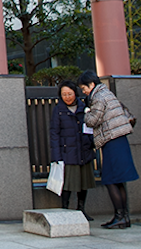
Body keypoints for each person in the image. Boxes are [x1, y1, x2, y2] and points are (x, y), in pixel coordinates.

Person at [79, 70, 138, 229]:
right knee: (119, 180)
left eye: (84, 88)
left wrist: (85, 113)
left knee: (110, 179)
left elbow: (93, 120)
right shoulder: (107, 93)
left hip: (111, 140)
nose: (83, 91)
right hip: (119, 139)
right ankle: (124, 217)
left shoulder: (98, 97)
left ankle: (119, 216)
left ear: (91, 84)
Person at [48, 80, 95, 220]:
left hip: (83, 149)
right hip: (67, 151)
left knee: (83, 182)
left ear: (75, 93)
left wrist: (90, 144)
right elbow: (54, 133)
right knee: (67, 183)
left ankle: (81, 209)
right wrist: (57, 155)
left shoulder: (84, 108)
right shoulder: (58, 110)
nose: (67, 97)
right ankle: (65, 209)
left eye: (70, 94)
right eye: (64, 94)